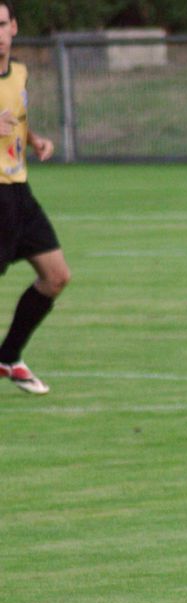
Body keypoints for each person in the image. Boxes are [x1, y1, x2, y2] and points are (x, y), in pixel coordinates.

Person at [0, 2, 67, 395]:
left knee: (56, 276)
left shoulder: (20, 72)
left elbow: (17, 122)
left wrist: (34, 140)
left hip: (19, 191)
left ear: (14, 27)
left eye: (1, 24)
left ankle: (8, 356)